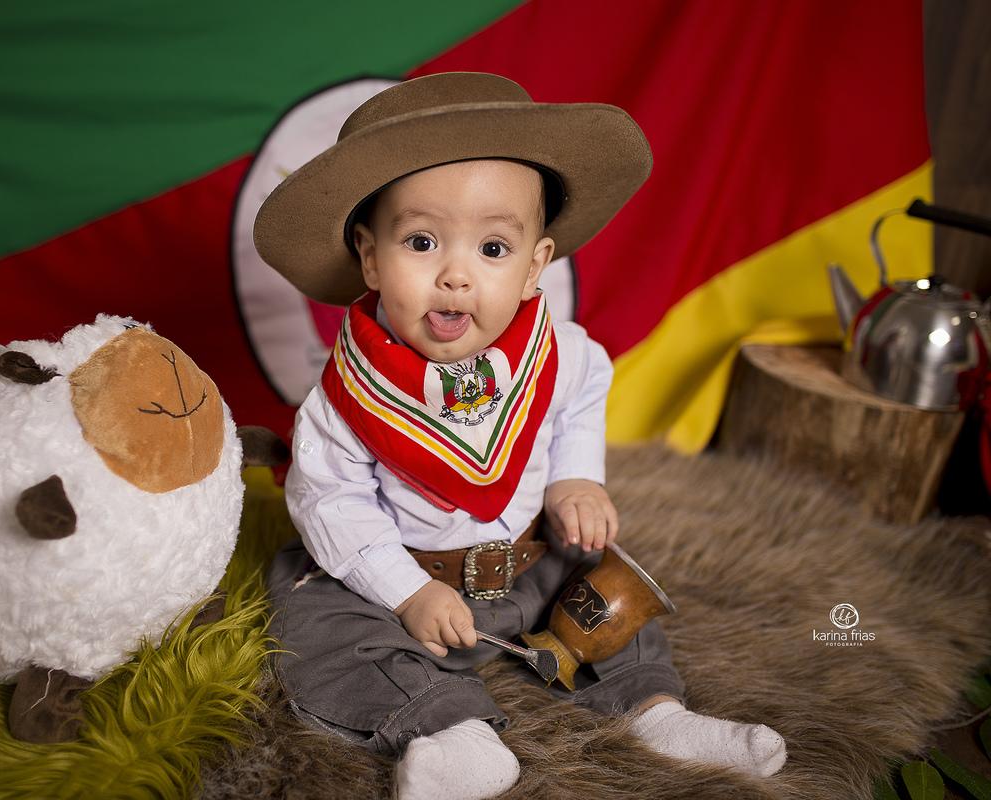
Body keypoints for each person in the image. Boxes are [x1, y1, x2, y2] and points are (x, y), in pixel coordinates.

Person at [252, 72, 786, 800]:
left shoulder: (559, 353)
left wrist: (575, 477)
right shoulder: (344, 399)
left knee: (604, 586)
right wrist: (406, 593)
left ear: (537, 266)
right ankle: (449, 734)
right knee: (317, 621)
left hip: (528, 559)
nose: (456, 276)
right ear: (370, 256)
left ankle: (658, 713)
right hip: (398, 576)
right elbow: (332, 505)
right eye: (421, 241)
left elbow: (581, 400)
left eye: (494, 250)